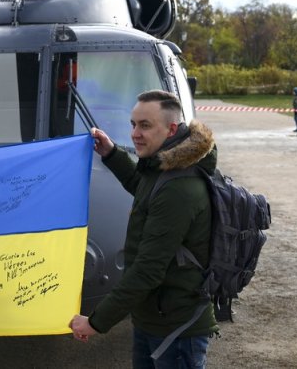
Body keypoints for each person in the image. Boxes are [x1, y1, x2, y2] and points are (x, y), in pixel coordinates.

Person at [69, 89, 218, 368]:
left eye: (145, 125)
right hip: (153, 317)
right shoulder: (164, 168)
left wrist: (96, 321)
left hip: (176, 329)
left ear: (171, 128)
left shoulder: (179, 187)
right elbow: (144, 189)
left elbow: (148, 269)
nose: (135, 133)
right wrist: (112, 154)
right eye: (133, 124)